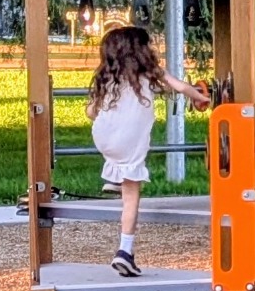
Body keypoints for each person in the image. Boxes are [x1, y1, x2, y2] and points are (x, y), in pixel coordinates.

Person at [86, 23, 210, 276]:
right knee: (131, 197)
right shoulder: (150, 72)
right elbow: (181, 88)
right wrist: (200, 97)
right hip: (129, 140)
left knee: (119, 162)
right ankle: (124, 251)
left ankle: (113, 180)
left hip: (103, 137)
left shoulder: (106, 76)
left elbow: (90, 111)